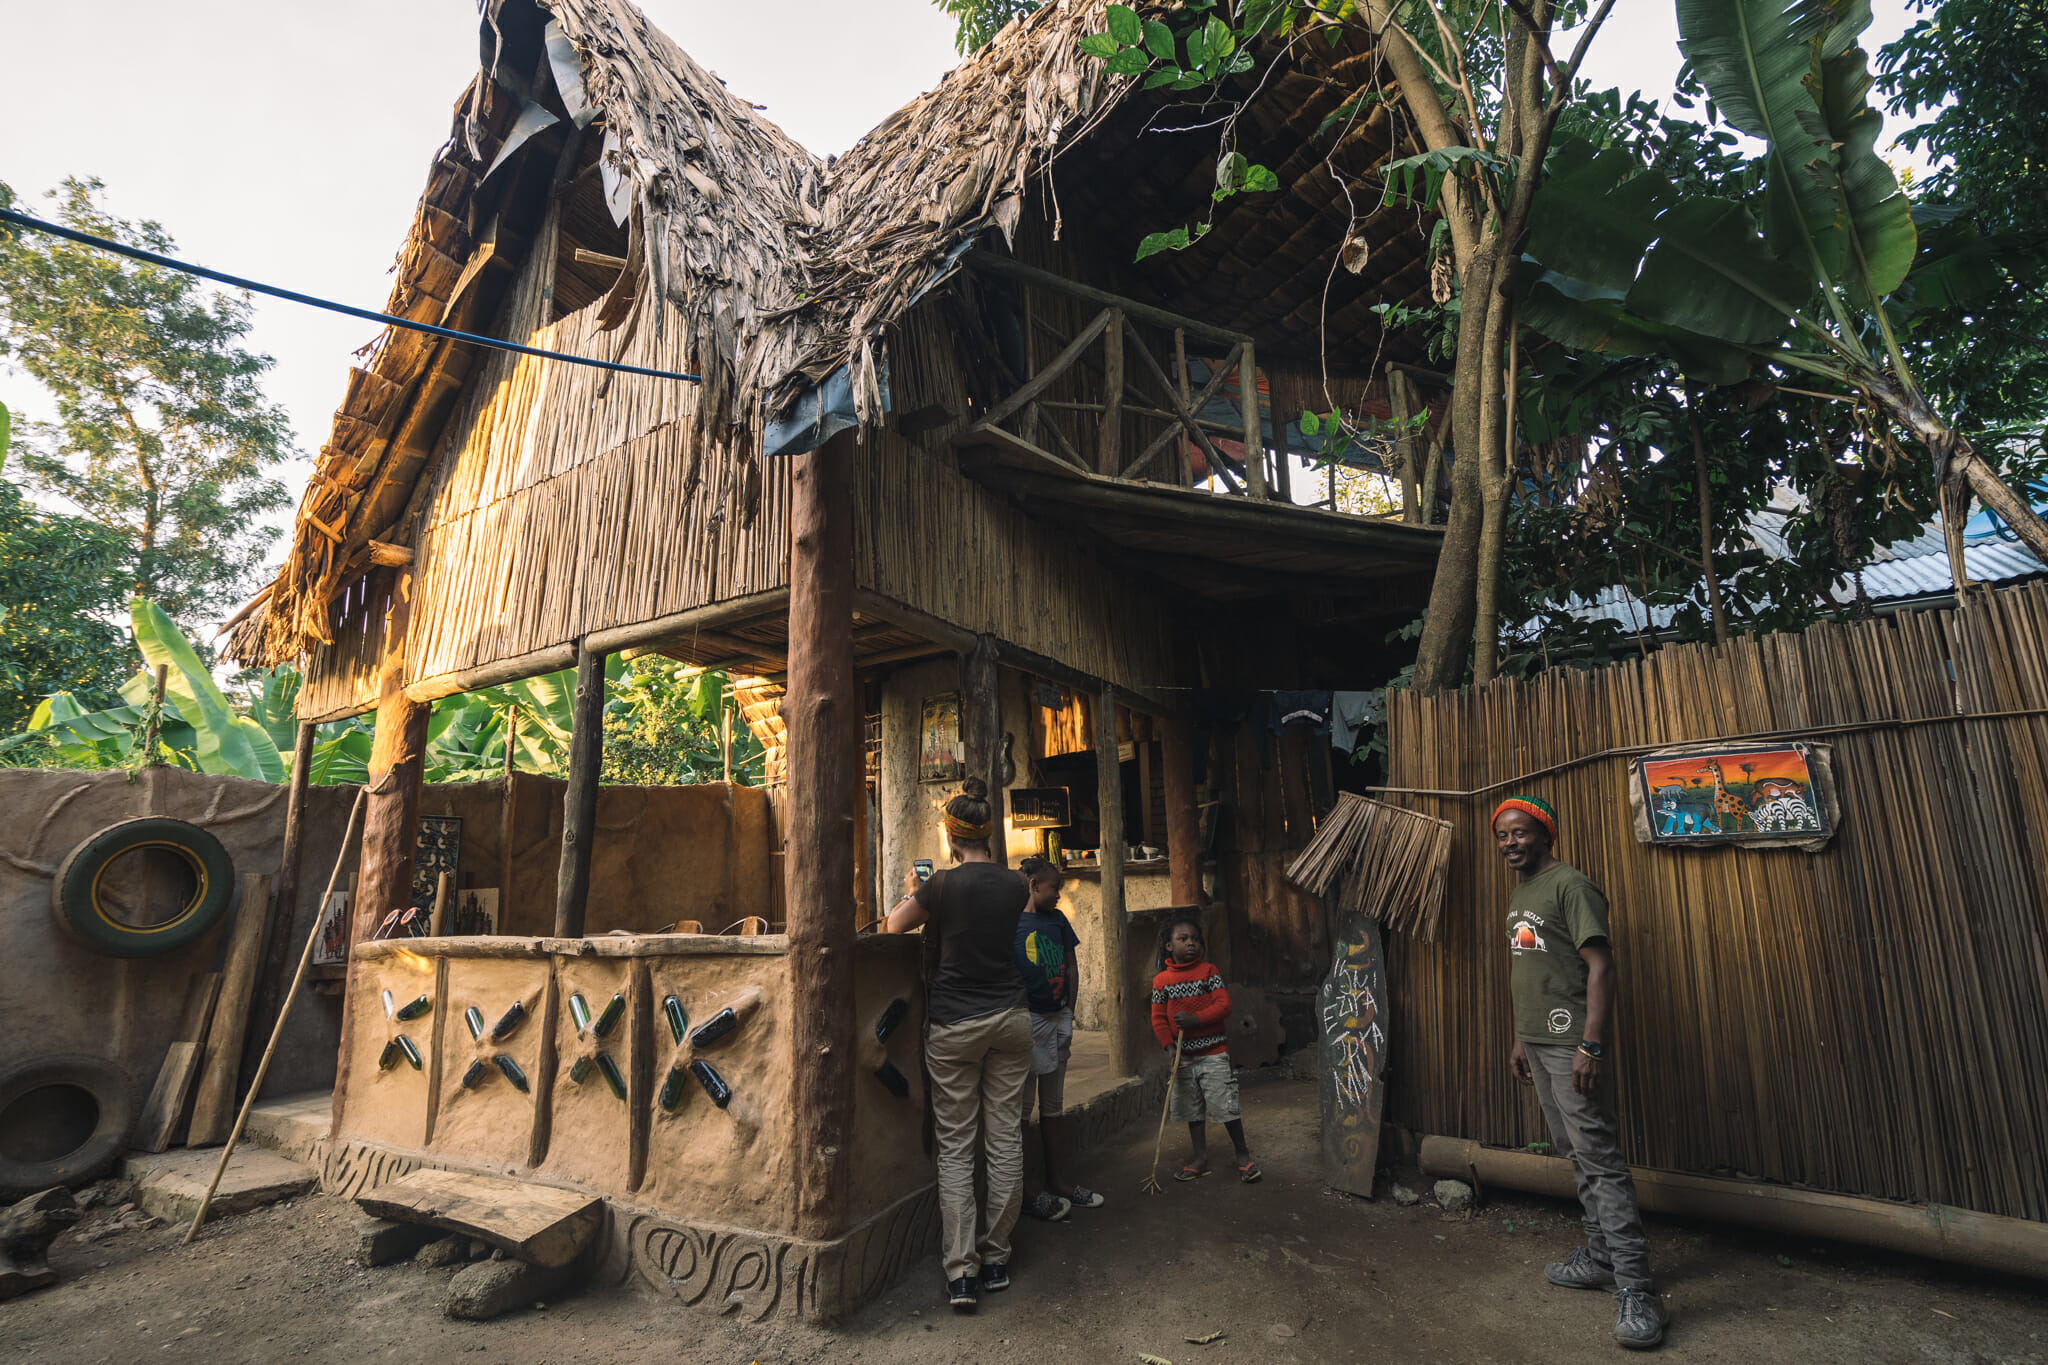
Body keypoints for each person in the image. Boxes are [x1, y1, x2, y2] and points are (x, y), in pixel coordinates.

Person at [1493, 794, 1667, 1351]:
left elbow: (1601, 967)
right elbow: (1535, 969)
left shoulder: (1572, 885)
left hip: (1573, 1046)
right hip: (1540, 1044)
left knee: (1600, 1159)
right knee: (1574, 1152)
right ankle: (1598, 1257)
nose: (1509, 843)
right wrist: (1522, 1037)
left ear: (1545, 833)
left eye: (1520, 832)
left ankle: (1637, 1289)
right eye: (1502, 836)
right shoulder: (1522, 892)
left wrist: (1591, 1045)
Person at [884, 778, 1032, 1312]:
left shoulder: (939, 886)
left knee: (956, 1147)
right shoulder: (1017, 884)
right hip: (1013, 1018)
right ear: (988, 834)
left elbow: (893, 924)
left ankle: (962, 1271)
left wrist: (910, 887)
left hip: (955, 1025)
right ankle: (996, 1257)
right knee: (1005, 1140)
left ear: (950, 835)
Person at [1012, 856, 1104, 1221]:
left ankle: (1058, 1182)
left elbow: (1071, 964)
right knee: (1021, 1110)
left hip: (1057, 1020)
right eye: (1055, 888)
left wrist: (1069, 1010)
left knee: (1053, 1106)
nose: (1059, 895)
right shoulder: (1013, 924)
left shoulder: (1058, 921)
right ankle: (1023, 1191)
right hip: (1028, 1023)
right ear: (1034, 885)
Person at [1149, 914, 1260, 1183]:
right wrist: (1169, 1047)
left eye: (1195, 940)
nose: (1191, 944)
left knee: (1226, 1105)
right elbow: (1159, 1019)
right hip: (1184, 1058)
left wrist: (1195, 1020)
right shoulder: (1161, 982)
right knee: (1192, 1108)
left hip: (1213, 1054)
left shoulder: (1209, 973)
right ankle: (1199, 1157)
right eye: (1183, 939)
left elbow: (1224, 1006)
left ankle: (1242, 1155)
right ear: (1168, 946)